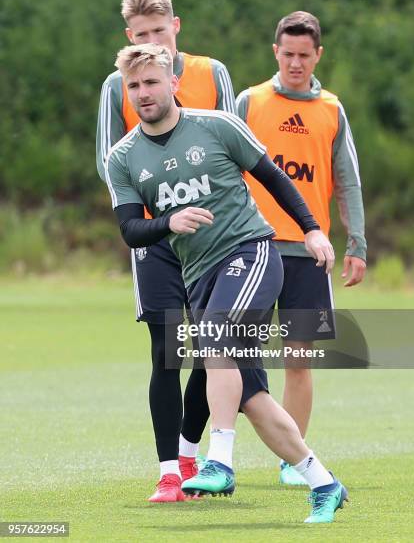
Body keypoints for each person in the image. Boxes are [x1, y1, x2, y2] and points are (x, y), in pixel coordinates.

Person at [105, 42, 348, 524]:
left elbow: (275, 179)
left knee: (214, 336)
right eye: (133, 86)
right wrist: (168, 224)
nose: (143, 93)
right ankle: (325, 484)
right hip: (199, 277)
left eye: (151, 82)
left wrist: (313, 229)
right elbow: (131, 229)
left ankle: (219, 461)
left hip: (251, 252)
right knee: (253, 398)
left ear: (173, 82)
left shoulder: (217, 126)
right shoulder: (123, 157)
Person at [96, 0, 236, 502]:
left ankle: (189, 451)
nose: (151, 41)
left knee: (210, 349)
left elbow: (237, 147)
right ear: (128, 37)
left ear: (175, 28)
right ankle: (168, 473)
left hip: (213, 236)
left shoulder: (212, 73)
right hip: (154, 238)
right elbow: (109, 161)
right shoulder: (117, 85)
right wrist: (150, 212)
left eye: (159, 31)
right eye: (141, 34)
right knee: (165, 352)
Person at [237, 11, 367, 485]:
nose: (295, 63)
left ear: (318, 56)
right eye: (287, 54)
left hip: (309, 257)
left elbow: (347, 181)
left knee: (298, 357)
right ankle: (220, 456)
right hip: (250, 249)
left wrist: (357, 243)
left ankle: (294, 462)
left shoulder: (331, 109)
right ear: (276, 52)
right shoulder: (249, 101)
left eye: (304, 56)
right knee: (230, 353)